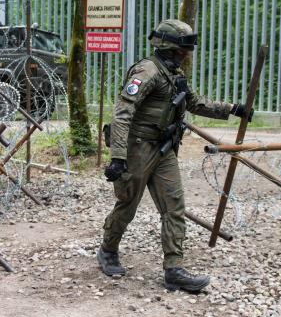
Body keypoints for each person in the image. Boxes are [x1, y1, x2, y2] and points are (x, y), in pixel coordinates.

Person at [98, 19, 253, 293]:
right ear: (170, 47)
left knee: (174, 206)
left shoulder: (174, 73)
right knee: (128, 205)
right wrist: (118, 157)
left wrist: (232, 108)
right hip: (137, 148)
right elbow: (122, 113)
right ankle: (108, 250)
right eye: (184, 48)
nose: (187, 53)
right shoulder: (147, 72)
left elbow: (192, 102)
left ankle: (174, 269)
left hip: (163, 149)